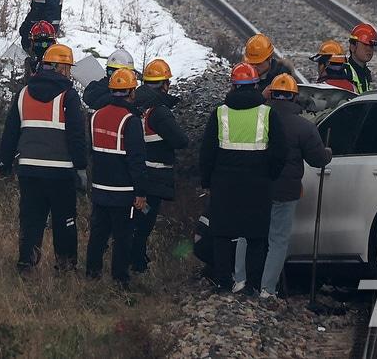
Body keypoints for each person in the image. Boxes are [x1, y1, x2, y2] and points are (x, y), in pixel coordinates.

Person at [0, 43, 89, 272]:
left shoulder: (23, 93)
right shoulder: (69, 96)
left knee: (31, 220)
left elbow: (10, 131)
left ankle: (26, 263)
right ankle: (65, 265)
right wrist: (81, 167)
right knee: (64, 220)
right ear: (58, 67)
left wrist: (4, 162)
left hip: (29, 170)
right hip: (60, 172)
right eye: (67, 68)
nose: (69, 73)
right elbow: (76, 134)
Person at [199, 63, 288, 296]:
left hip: (224, 183)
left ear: (233, 85)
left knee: (222, 233)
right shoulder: (267, 113)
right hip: (258, 184)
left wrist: (207, 181)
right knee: (256, 236)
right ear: (256, 85)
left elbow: (207, 152)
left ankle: (223, 283)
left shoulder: (220, 113)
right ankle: (252, 286)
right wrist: (270, 174)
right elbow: (280, 151)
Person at [260, 73, 332, 299]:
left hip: (257, 188)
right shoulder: (303, 127)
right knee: (278, 240)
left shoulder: (259, 120)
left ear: (271, 95)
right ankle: (267, 289)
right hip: (286, 191)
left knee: (248, 236)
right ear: (294, 97)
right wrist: (328, 153)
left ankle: (242, 281)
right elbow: (317, 160)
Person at [86, 68, 149, 287]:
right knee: (122, 238)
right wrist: (141, 192)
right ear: (132, 92)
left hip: (99, 188)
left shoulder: (96, 116)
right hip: (123, 192)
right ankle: (120, 280)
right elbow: (136, 159)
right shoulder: (130, 120)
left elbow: (91, 151)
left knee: (98, 234)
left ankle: (92, 275)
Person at [130, 58, 189, 275]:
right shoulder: (159, 112)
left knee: (137, 222)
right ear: (164, 85)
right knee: (144, 224)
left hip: (136, 175)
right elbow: (181, 140)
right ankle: (137, 263)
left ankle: (135, 259)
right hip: (153, 178)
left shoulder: (136, 105)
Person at [244, 33, 293, 98]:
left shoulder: (282, 75)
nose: (254, 66)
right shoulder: (243, 75)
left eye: (258, 63)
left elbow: (283, 105)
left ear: (269, 58)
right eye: (251, 63)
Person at [345, 23, 377, 94]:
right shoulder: (344, 72)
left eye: (371, 46)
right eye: (365, 45)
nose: (369, 49)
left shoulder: (366, 73)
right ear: (352, 47)